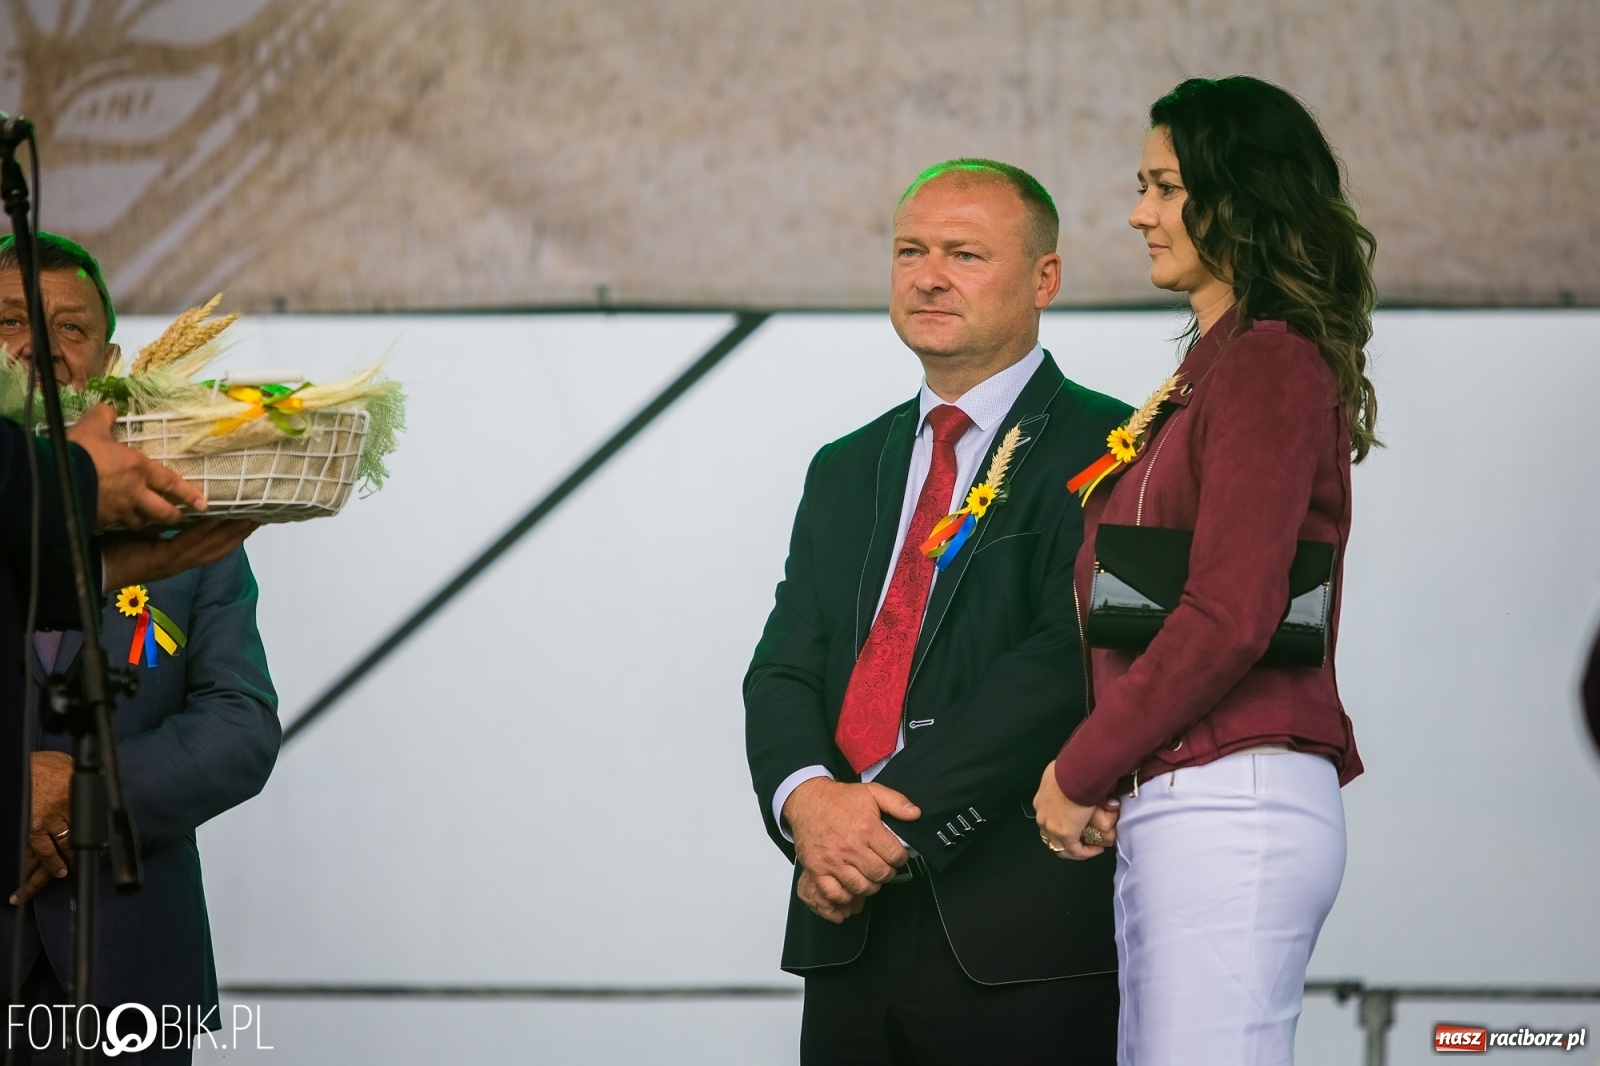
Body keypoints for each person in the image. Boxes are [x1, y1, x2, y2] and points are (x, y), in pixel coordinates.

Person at [746, 159, 1130, 1064]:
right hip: (847, 922)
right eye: (909, 251)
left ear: (1045, 279)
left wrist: (881, 826)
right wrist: (809, 804)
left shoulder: (1114, 445)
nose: (928, 276)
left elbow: (1069, 656)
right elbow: (785, 665)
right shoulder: (844, 466)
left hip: (1020, 931)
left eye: (965, 254)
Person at [1032, 77, 1377, 1064]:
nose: (1138, 213)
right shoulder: (1215, 368)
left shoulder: (1268, 360)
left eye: (1165, 187)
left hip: (1233, 794)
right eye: (1142, 187)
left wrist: (1080, 766)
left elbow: (1230, 610)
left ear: (1242, 197)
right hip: (1191, 793)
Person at [0, 233, 274, 1064]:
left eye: (70, 328)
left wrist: (84, 796)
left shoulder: (179, 516)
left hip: (133, 974)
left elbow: (240, 726)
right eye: (9, 320)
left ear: (110, 362)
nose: (39, 346)